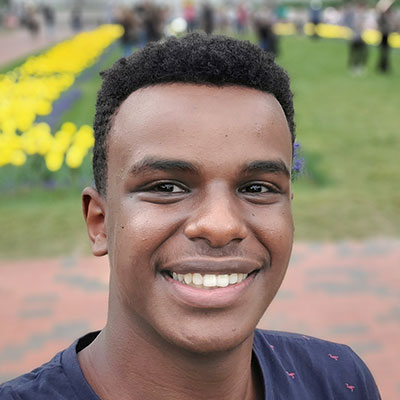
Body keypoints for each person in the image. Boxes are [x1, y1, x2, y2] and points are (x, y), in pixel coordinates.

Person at [0, 33, 381, 399]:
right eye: (167, 187)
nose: (220, 225)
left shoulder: (338, 380)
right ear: (98, 222)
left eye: (257, 188)